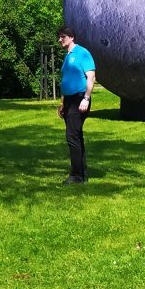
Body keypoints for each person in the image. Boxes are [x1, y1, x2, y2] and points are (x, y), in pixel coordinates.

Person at [56, 26, 96, 184]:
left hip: (79, 99)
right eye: (59, 37)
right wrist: (62, 104)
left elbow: (91, 77)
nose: (60, 39)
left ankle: (76, 175)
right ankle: (82, 173)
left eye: (63, 36)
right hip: (69, 101)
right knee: (76, 136)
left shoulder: (82, 53)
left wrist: (86, 98)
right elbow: (66, 81)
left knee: (72, 136)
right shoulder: (68, 56)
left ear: (71, 37)